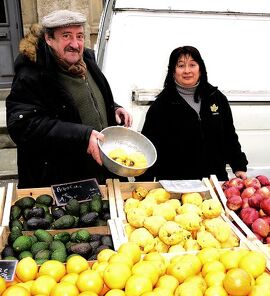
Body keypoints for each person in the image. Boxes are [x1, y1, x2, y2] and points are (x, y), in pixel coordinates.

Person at [6, 9, 132, 188]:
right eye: (66, 36)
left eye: (79, 36)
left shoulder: (86, 62)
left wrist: (113, 108)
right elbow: (23, 125)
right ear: (49, 39)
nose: (75, 44)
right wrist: (81, 135)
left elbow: (87, 98)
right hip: (61, 180)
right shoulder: (32, 73)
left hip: (99, 172)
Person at [139, 46, 248, 182]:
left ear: (200, 68)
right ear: (173, 71)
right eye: (181, 66)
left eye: (192, 65)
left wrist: (239, 166)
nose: (187, 71)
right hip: (176, 187)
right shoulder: (161, 106)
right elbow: (148, 149)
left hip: (215, 182)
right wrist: (143, 183)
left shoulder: (217, 98)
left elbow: (229, 136)